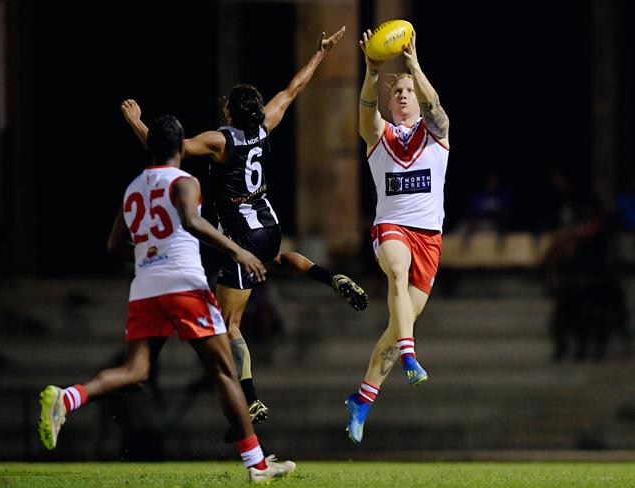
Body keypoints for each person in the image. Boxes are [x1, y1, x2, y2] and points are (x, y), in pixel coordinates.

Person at [120, 26, 368, 441]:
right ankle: (330, 277)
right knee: (276, 258)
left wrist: (136, 121)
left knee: (229, 324)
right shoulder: (264, 126)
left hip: (241, 239)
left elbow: (166, 152)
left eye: (226, 104)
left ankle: (250, 397)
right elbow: (293, 88)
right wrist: (320, 54)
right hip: (269, 226)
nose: (222, 106)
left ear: (232, 112)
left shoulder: (221, 141)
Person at [38, 115, 295, 482]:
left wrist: (149, 253)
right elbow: (191, 220)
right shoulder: (184, 181)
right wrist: (237, 251)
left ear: (151, 148)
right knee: (224, 371)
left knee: (135, 372)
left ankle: (68, 397)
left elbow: (113, 246)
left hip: (145, 288)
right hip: (184, 284)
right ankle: (256, 466)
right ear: (180, 148)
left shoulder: (132, 188)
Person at [344, 29, 450, 444]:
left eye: (409, 90)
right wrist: (373, 72)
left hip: (430, 239)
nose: (404, 95)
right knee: (397, 273)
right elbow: (364, 111)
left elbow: (436, 107)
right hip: (391, 230)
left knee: (398, 322)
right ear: (390, 104)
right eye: (398, 92)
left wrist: (413, 65)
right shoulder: (379, 136)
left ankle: (362, 399)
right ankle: (410, 353)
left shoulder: (436, 132)